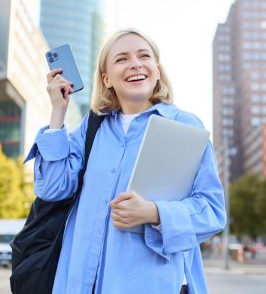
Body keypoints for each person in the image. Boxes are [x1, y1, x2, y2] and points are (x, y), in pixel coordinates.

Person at [24, 28, 226, 294]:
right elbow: (52, 188)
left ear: (156, 70)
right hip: (80, 283)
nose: (135, 64)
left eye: (144, 56)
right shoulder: (91, 128)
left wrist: (155, 213)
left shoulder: (183, 125)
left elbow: (212, 211)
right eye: (122, 59)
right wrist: (57, 114)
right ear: (106, 79)